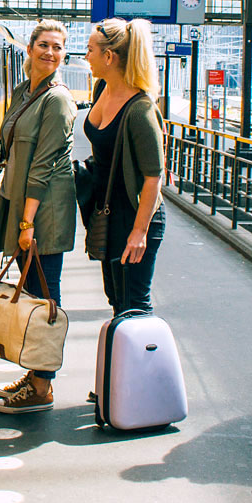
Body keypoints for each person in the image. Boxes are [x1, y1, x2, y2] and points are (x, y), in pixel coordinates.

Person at [0, 20, 77, 414]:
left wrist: (26, 223)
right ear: (29, 47)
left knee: (44, 297)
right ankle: (35, 375)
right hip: (24, 205)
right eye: (44, 45)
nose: (50, 53)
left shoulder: (57, 100)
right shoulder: (26, 92)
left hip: (44, 212)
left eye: (57, 48)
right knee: (36, 294)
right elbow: (14, 157)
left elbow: (40, 166)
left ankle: (42, 386)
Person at [82, 18, 166, 316]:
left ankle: (145, 362)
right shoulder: (102, 89)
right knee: (117, 300)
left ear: (109, 56)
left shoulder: (141, 110)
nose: (86, 56)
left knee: (134, 304)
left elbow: (154, 177)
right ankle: (120, 362)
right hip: (108, 212)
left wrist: (139, 232)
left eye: (90, 50)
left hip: (135, 215)